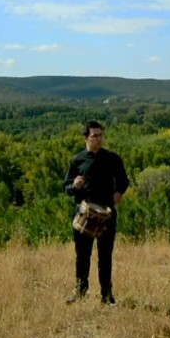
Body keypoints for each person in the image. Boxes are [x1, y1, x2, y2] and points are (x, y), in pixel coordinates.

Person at [64, 121, 129, 306]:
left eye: (100, 135)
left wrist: (118, 193)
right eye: (94, 136)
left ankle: (107, 296)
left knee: (105, 256)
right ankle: (80, 293)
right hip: (85, 213)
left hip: (107, 213)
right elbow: (66, 187)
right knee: (82, 256)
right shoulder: (77, 160)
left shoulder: (112, 158)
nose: (98, 139)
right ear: (86, 138)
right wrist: (74, 186)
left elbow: (123, 181)